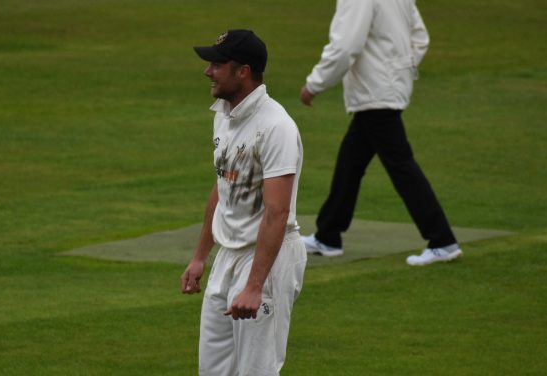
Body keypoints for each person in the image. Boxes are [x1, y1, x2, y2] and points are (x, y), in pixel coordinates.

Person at [181, 29, 307, 375]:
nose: (208, 71)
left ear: (243, 71)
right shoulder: (224, 113)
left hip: (267, 258)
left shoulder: (275, 127)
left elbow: (277, 211)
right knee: (213, 370)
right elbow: (223, 187)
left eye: (217, 65)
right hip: (228, 256)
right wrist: (200, 256)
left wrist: (254, 285)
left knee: (256, 370)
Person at [299, 0, 462, 266]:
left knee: (401, 166)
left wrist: (314, 85)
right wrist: (398, 70)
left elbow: (345, 47)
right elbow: (419, 38)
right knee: (350, 164)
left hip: (374, 92)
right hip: (387, 88)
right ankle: (328, 236)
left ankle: (442, 240)